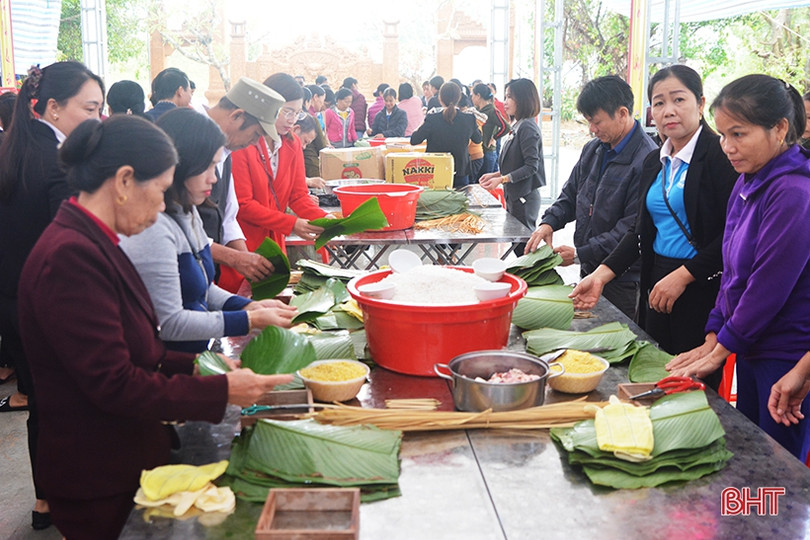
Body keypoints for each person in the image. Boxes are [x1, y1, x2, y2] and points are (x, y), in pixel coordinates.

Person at [17, 114, 293, 538]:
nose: (165, 207)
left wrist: (203, 370)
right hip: (97, 469)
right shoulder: (69, 258)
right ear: (125, 181)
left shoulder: (94, 240)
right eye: (161, 191)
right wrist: (219, 390)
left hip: (126, 452)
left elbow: (143, 346)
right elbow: (114, 383)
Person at [664, 74, 810, 460]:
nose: (727, 146)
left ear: (779, 129)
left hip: (786, 356)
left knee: (778, 469)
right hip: (751, 348)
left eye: (739, 134)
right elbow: (732, 270)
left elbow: (768, 286)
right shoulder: (748, 181)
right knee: (749, 452)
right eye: (724, 134)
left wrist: (723, 347)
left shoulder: (793, 192)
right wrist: (715, 332)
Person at [567, 66, 739, 383]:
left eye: (678, 99)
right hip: (656, 281)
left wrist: (684, 277)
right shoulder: (655, 160)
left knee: (691, 385)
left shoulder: (720, 157)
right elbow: (641, 234)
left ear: (700, 104)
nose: (667, 110)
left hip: (702, 286)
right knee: (652, 375)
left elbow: (733, 238)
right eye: (658, 103)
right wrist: (601, 275)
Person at [0, 61, 104, 530]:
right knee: (64, 402)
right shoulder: (58, 164)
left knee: (41, 400)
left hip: (11, 301)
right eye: (90, 108)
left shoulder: (13, 150)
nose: (97, 119)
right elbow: (67, 249)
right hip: (47, 304)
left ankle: (44, 499)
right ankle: (68, 498)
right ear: (54, 108)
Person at [119, 108, 297, 351]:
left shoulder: (188, 210)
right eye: (208, 167)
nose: (214, 179)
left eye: (216, 167)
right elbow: (171, 323)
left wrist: (245, 306)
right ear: (183, 163)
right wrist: (248, 320)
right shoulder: (154, 227)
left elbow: (203, 288)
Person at [526, 76, 657, 320]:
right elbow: (571, 194)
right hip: (590, 269)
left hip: (623, 278)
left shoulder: (647, 160)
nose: (592, 130)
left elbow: (630, 228)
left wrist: (580, 253)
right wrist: (549, 223)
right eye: (588, 122)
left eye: (596, 122)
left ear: (622, 113)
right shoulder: (594, 149)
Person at [225, 73, 331, 291]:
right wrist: (291, 224)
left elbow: (298, 195)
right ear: (268, 105)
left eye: (297, 113)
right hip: (243, 244)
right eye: (287, 111)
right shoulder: (244, 142)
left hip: (275, 244)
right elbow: (243, 205)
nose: (292, 119)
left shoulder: (291, 144)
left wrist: (328, 221)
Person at [197, 77, 286, 287]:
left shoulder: (226, 149)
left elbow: (228, 217)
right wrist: (235, 258)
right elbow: (178, 229)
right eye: (255, 134)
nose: (254, 143)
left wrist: (250, 264)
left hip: (207, 276)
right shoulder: (190, 139)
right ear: (237, 115)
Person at [479, 78, 545, 255]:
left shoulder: (527, 128)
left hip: (524, 198)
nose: (505, 102)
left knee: (525, 251)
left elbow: (532, 166)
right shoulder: (518, 125)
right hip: (515, 196)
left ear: (523, 99)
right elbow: (517, 162)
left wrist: (502, 179)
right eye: (505, 96)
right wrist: (496, 175)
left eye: (510, 97)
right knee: (519, 249)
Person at [410, 82, 482, 188]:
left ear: (440, 99)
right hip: (460, 171)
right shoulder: (469, 119)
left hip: (434, 172)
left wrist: (422, 122)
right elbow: (478, 139)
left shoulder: (432, 119)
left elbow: (414, 140)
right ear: (459, 97)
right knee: (460, 203)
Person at [471, 83, 508, 178]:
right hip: (477, 152)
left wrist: (494, 138)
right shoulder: (475, 110)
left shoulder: (492, 111)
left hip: (488, 151)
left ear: (478, 96)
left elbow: (506, 127)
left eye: (473, 95)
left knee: (486, 182)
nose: (471, 98)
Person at [304, 84, 330, 179]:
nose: (322, 105)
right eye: (322, 101)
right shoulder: (311, 119)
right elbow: (321, 146)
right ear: (315, 97)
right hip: (311, 164)